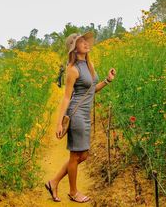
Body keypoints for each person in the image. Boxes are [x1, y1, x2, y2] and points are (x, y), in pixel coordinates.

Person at [44, 31, 116, 203]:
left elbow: (91, 90)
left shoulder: (89, 66)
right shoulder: (73, 69)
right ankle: (73, 192)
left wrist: (107, 80)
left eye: (85, 40)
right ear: (74, 49)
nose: (85, 43)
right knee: (76, 156)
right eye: (80, 41)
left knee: (82, 156)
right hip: (76, 115)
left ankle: (53, 182)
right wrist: (59, 123)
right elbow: (67, 97)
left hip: (85, 115)